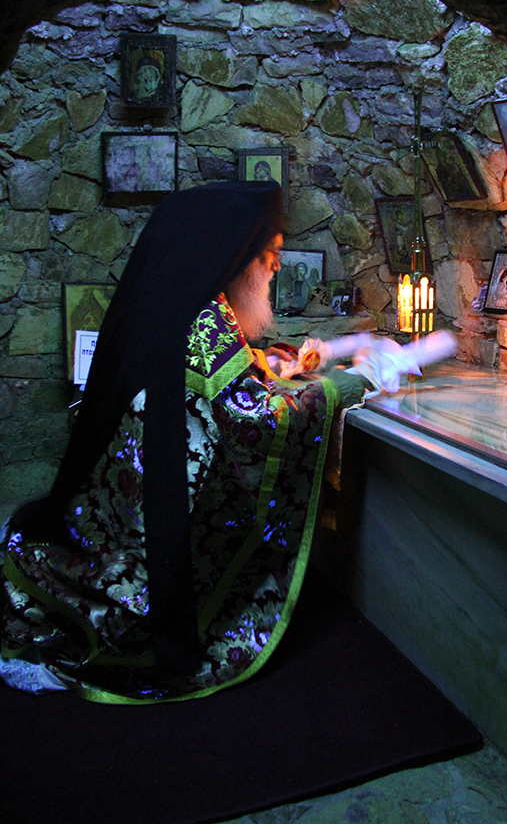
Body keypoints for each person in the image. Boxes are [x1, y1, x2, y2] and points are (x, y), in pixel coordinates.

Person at [0, 182, 370, 703]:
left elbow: (217, 377)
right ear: (236, 255)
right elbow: (255, 420)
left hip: (114, 503)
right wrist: (345, 385)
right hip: (141, 542)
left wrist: (271, 362)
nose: (277, 266)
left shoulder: (179, 300)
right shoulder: (204, 321)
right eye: (271, 252)